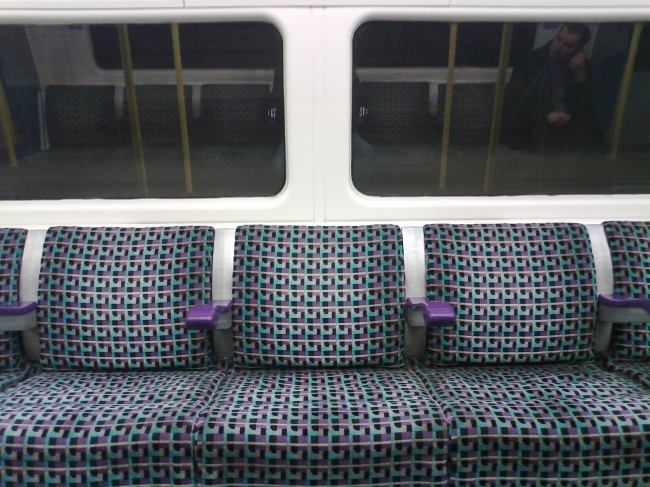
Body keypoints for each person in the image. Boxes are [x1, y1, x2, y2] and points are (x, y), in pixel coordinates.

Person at [504, 23, 602, 152]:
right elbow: (515, 102)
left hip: (569, 128)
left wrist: (580, 79)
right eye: (559, 39)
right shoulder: (532, 61)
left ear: (578, 50)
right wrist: (546, 115)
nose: (558, 47)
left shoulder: (584, 68)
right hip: (532, 126)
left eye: (567, 45)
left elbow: (590, 112)